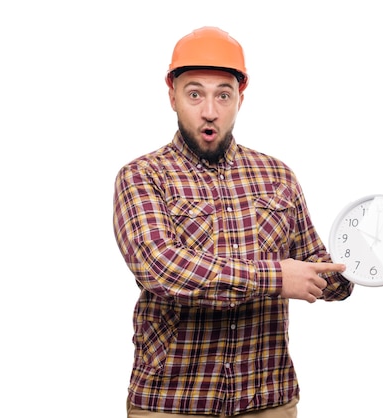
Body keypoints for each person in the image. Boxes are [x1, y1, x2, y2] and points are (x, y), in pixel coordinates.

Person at [113, 26, 354, 417]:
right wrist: (276, 278)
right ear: (172, 95)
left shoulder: (278, 176)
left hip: (268, 401)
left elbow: (319, 270)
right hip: (172, 403)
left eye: (223, 95)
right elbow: (161, 268)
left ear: (240, 98)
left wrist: (356, 265)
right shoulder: (142, 176)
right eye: (195, 93)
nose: (210, 110)